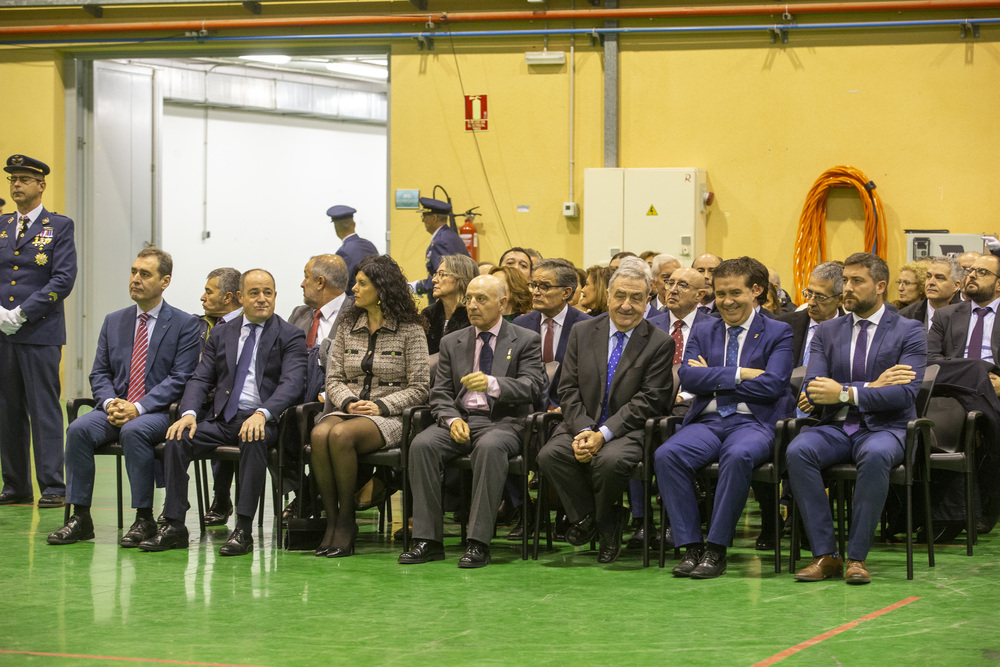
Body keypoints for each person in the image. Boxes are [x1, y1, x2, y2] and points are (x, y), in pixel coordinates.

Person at [140, 269, 307, 556]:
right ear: (240, 297)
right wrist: (189, 413)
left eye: (268, 292)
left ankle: (243, 529)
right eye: (254, 293)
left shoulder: (290, 335)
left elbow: (291, 384)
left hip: (262, 420)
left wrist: (263, 413)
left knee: (253, 438)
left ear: (276, 296)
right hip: (223, 418)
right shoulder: (222, 332)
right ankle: (175, 524)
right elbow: (201, 378)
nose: (262, 299)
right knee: (178, 438)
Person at [47, 248, 201, 547]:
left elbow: (180, 378)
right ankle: (80, 517)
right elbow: (99, 373)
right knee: (78, 429)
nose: (136, 279)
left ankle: (143, 518)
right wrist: (109, 403)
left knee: (134, 430)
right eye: (133, 272)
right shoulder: (114, 321)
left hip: (156, 412)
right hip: (115, 408)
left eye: (145, 274)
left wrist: (137, 407)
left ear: (165, 281)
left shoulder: (184, 324)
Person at [787, 252, 926, 585]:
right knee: (798, 450)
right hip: (836, 426)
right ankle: (826, 555)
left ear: (879, 286)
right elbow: (815, 388)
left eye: (856, 281)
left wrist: (847, 393)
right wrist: (871, 386)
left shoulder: (910, 331)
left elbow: (903, 395)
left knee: (875, 454)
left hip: (886, 428)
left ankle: (857, 558)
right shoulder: (827, 331)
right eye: (845, 281)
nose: (847, 288)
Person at [654, 256, 794, 579]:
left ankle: (716, 549)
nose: (727, 302)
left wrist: (714, 379)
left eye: (735, 293)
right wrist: (741, 374)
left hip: (754, 423)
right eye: (719, 294)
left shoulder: (778, 331)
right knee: (667, 455)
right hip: (709, 421)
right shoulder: (704, 329)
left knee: (738, 455)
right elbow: (688, 377)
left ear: (756, 291)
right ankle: (691, 547)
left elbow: (774, 385)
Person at [398, 274, 544, 568]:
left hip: (504, 423)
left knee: (489, 448)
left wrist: (492, 384)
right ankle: (428, 540)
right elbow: (440, 393)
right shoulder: (454, 341)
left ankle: (478, 543)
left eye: (482, 299)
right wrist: (451, 420)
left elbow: (533, 386)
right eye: (469, 299)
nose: (472, 305)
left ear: (502, 303)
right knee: (422, 444)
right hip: (460, 421)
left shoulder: (525, 340)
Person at [537, 257, 674, 564]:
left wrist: (603, 433)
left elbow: (650, 400)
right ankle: (605, 519)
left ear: (648, 300)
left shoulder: (659, 343)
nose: (627, 305)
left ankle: (597, 522)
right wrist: (585, 429)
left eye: (636, 298)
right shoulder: (583, 332)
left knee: (609, 462)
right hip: (580, 424)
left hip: (628, 429)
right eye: (620, 296)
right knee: (550, 455)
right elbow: (568, 389)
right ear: (608, 296)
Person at [310, 255, 430, 557]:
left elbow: (419, 387)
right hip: (348, 408)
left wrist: (380, 406)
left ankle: (347, 520)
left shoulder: (410, 330)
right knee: (318, 434)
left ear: (382, 289)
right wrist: (348, 402)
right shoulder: (349, 324)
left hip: (390, 415)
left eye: (362, 283)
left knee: (339, 436)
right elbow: (333, 377)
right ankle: (333, 519)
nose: (354, 289)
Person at [0, 154, 78, 508]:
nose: (17, 185)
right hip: (3, 332)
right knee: (7, 408)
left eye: (24, 179)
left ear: (41, 185)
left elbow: (63, 279)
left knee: (43, 408)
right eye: (13, 179)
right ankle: (16, 484)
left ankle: (53, 485)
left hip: (40, 332)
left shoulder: (58, 227)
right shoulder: (1, 225)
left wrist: (23, 312)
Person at [195, 267, 244, 527]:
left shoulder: (249, 325)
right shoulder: (200, 325)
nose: (203, 298)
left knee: (223, 415)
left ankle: (222, 498)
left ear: (227, 298)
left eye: (208, 291)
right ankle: (173, 504)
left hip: (239, 404)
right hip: (202, 399)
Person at [514, 258, 592, 410]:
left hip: (568, 411)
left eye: (544, 287)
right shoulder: (520, 324)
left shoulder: (586, 326)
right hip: (525, 411)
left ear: (566, 292)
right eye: (534, 285)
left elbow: (589, 380)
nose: (535, 292)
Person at [288, 254, 350, 355]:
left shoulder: (357, 316)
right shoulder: (298, 314)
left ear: (320, 282)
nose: (302, 284)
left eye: (306, 277)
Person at [411, 197, 469, 302]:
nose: (423, 220)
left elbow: (445, 275)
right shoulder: (448, 236)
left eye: (424, 216)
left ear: (434, 218)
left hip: (446, 301)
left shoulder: (441, 241)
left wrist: (418, 286)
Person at [422, 254, 478, 355]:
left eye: (442, 274)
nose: (434, 280)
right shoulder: (428, 316)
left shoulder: (474, 318)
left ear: (461, 278)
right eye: (436, 274)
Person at [899, 255, 962, 331]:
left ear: (956, 285)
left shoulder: (967, 315)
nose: (931, 282)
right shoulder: (905, 316)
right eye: (928, 276)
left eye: (939, 278)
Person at [328, 205, 378, 291]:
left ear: (336, 227)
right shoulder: (369, 245)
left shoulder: (344, 251)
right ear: (354, 224)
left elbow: (341, 285)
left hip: (354, 300)